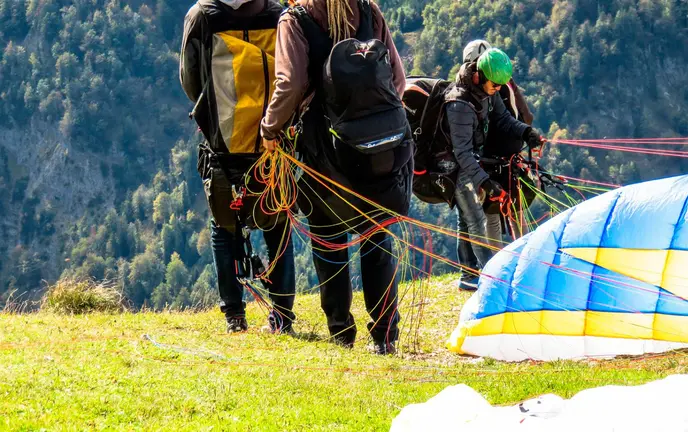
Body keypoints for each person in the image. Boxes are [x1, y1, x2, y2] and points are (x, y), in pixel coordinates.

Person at [260, 0, 410, 354]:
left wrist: (270, 129)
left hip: (322, 150)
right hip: (380, 151)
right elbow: (398, 82)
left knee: (329, 240)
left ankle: (341, 333)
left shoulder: (296, 20)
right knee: (376, 239)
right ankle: (385, 335)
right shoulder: (368, 11)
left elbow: (290, 83)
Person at [180, 0, 296, 334]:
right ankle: (283, 315)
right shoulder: (277, 14)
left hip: (224, 139)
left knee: (223, 225)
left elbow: (190, 81)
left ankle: (234, 315)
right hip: (272, 140)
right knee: (278, 221)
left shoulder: (203, 16)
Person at [444, 48, 544, 291]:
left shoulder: (487, 92)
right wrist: (485, 183)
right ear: (478, 76)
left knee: (466, 220)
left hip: (473, 160)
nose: (498, 89)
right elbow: (462, 153)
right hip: (455, 165)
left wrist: (525, 132)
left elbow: (502, 119)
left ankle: (469, 276)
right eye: (495, 84)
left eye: (501, 85)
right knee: (476, 220)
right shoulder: (459, 103)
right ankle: (494, 281)